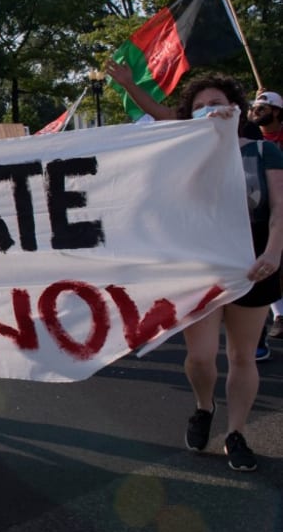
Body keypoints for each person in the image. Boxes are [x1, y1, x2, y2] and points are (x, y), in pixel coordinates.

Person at [108, 65, 280, 472]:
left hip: (252, 266)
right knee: (201, 358)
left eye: (216, 104)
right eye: (199, 106)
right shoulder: (184, 151)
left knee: (242, 357)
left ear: (236, 108)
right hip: (200, 267)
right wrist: (130, 86)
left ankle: (236, 433)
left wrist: (273, 254)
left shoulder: (262, 151)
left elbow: (279, 210)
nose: (208, 111)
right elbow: (161, 114)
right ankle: (204, 407)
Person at [248, 90, 283, 359]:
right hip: (261, 215)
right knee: (267, 266)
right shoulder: (250, 137)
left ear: (277, 111)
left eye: (263, 107)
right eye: (255, 107)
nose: (257, 110)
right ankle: (278, 316)